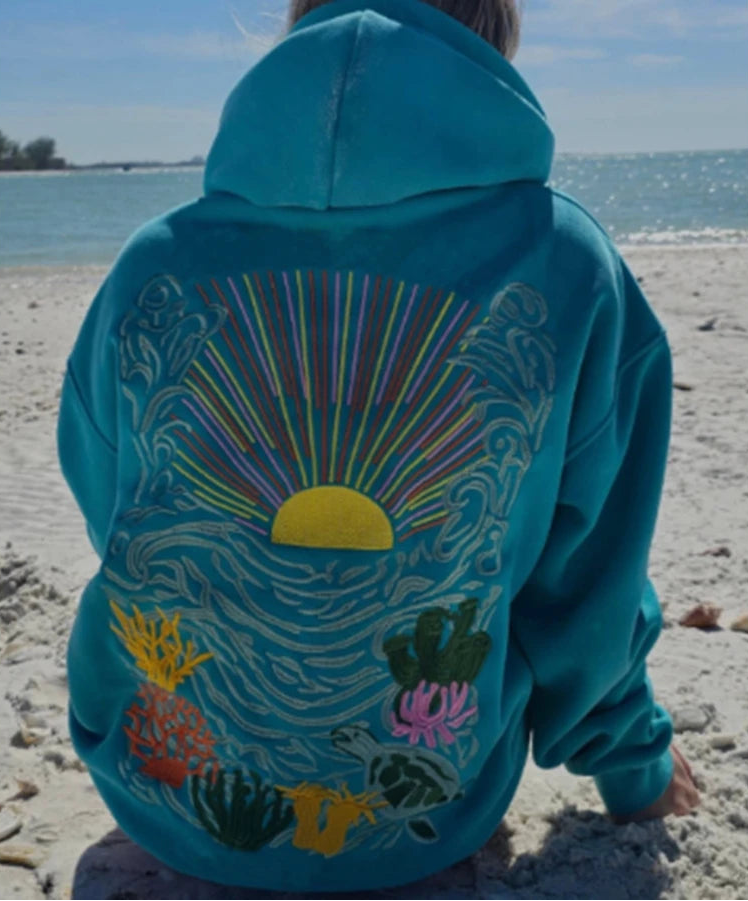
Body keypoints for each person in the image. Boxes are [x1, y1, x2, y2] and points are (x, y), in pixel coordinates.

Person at [57, 0, 699, 891]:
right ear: (491, 38)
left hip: (158, 794)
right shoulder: (568, 264)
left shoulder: (151, 263)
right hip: (424, 824)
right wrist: (638, 770)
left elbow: (119, 515)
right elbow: (589, 583)